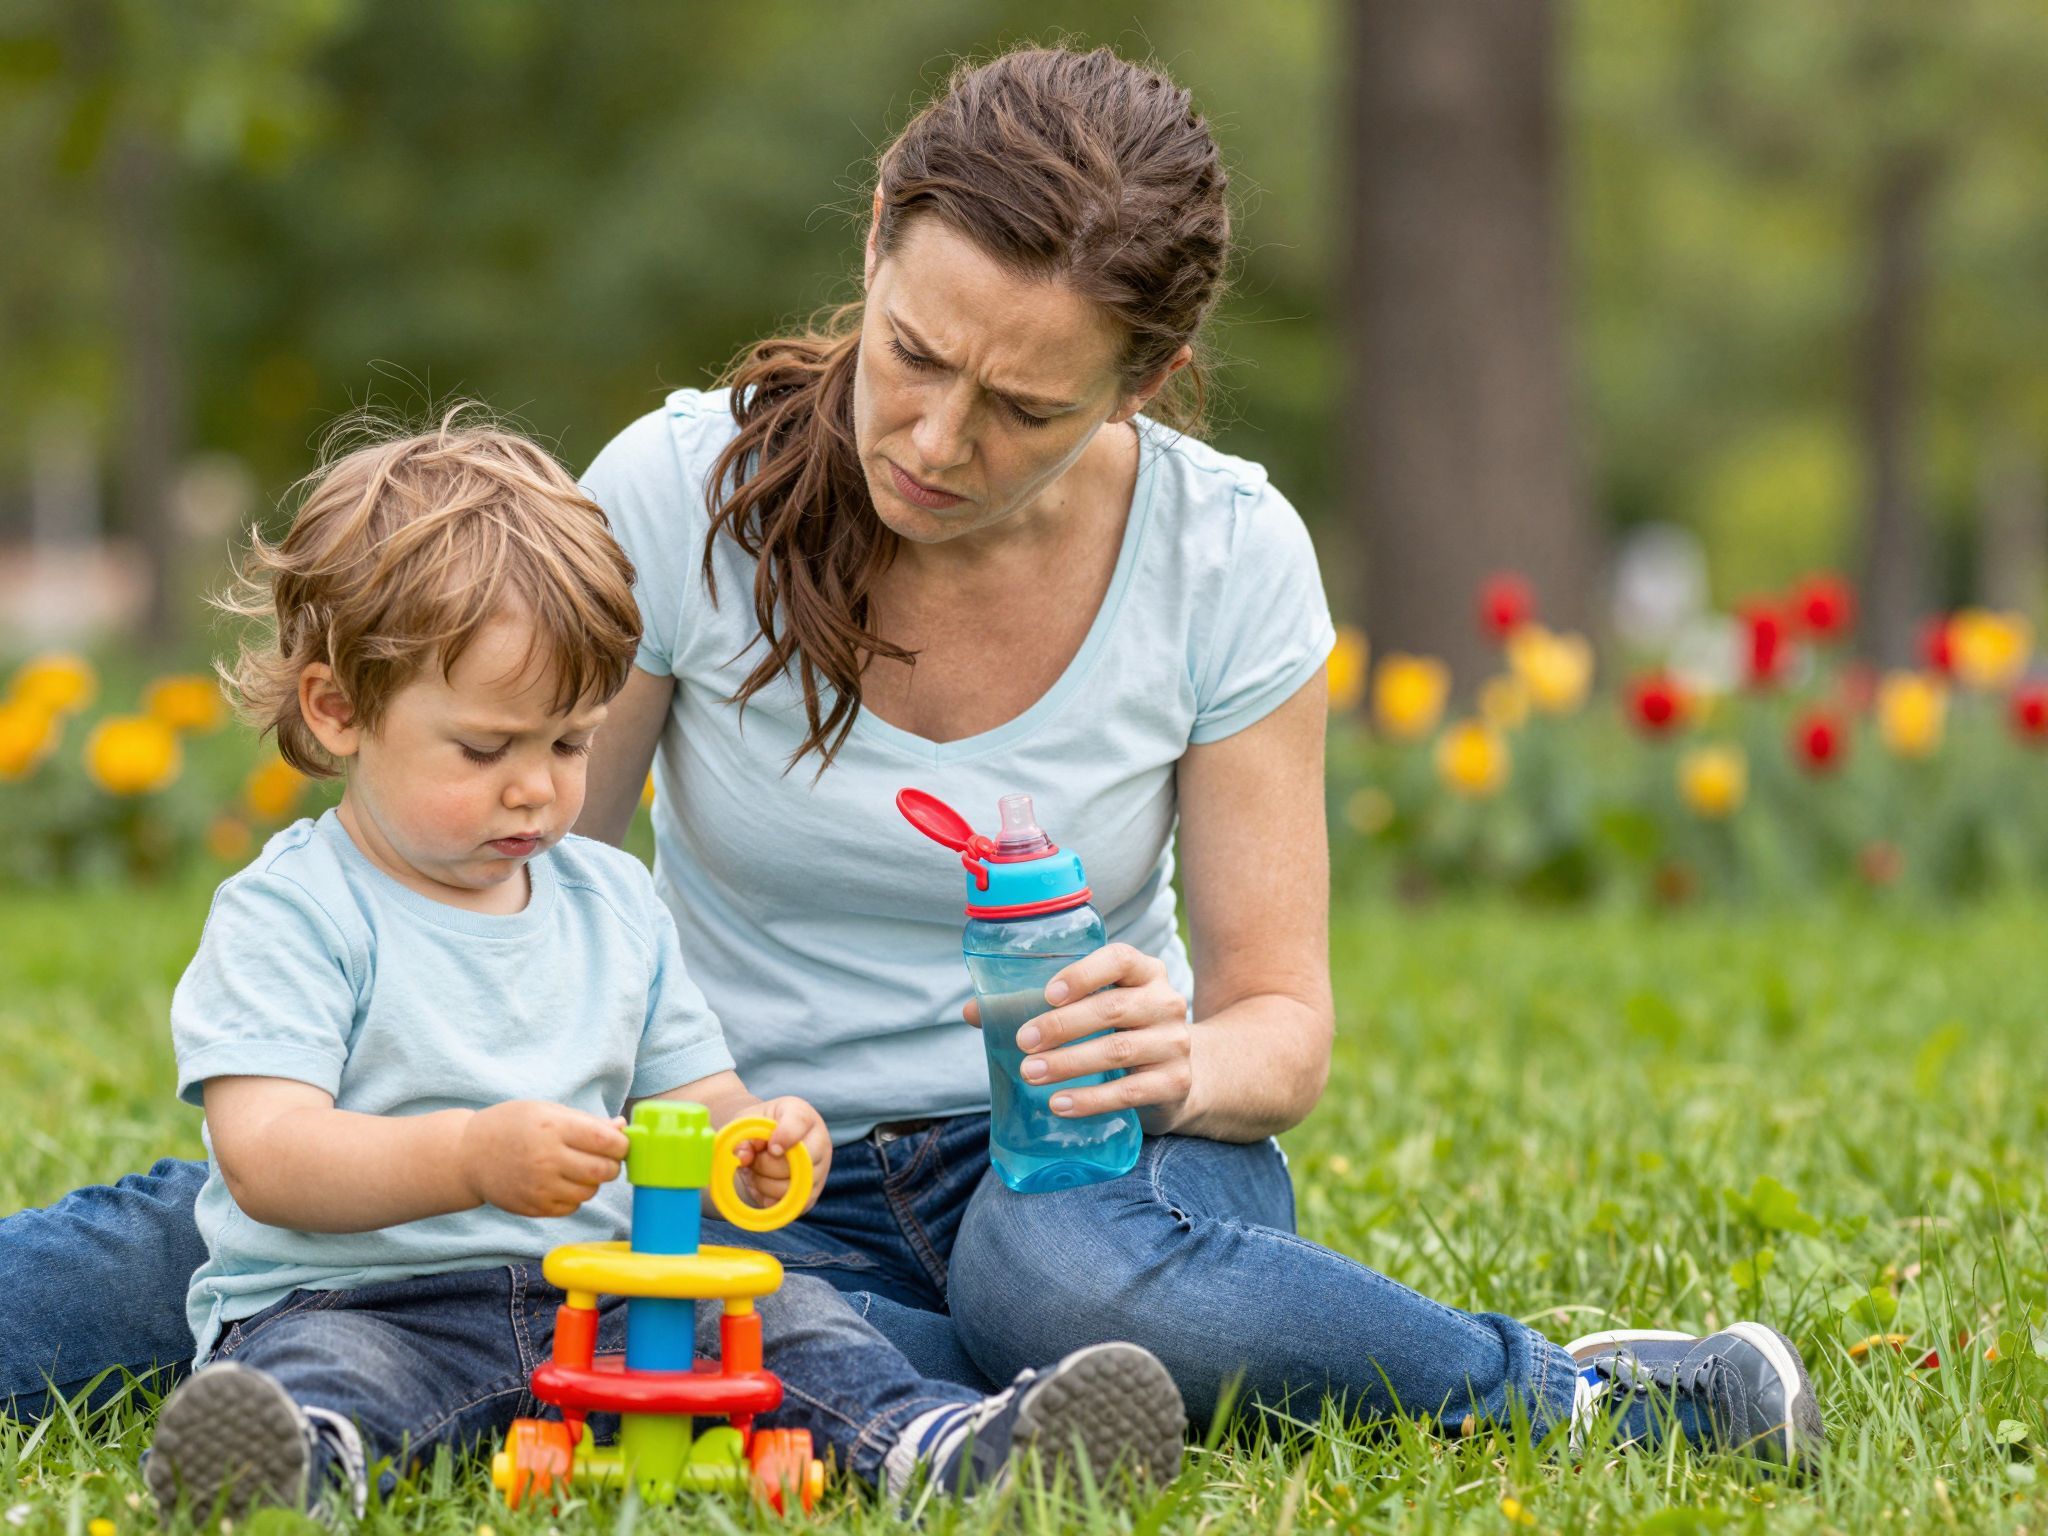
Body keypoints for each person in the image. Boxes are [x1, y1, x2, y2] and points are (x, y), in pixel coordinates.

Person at [3, 46, 1821, 1475]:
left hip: (1059, 1176)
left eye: (1023, 404)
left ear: (1145, 378)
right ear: (874, 243)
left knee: (1054, 1277)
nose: (934, 439)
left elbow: (1285, 1029)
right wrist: (469, 1122)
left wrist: (1180, 1053)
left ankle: (1573, 1397)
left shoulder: (1224, 558)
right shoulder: (681, 495)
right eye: (912, 354)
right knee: (256, 1241)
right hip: (722, 1162)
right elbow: (522, 857)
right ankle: (945, 1389)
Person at [133, 418, 1186, 1520]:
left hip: (601, 1295)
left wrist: (758, 1140)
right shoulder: (295, 910)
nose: (538, 790)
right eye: (487, 750)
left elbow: (698, 1101)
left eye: (569, 744)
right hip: (359, 1297)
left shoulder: (610, 902)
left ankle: (950, 1447)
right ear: (337, 709)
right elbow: (268, 1157)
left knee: (796, 1324)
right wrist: (470, 1156)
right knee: (332, 1373)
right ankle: (287, 1464)